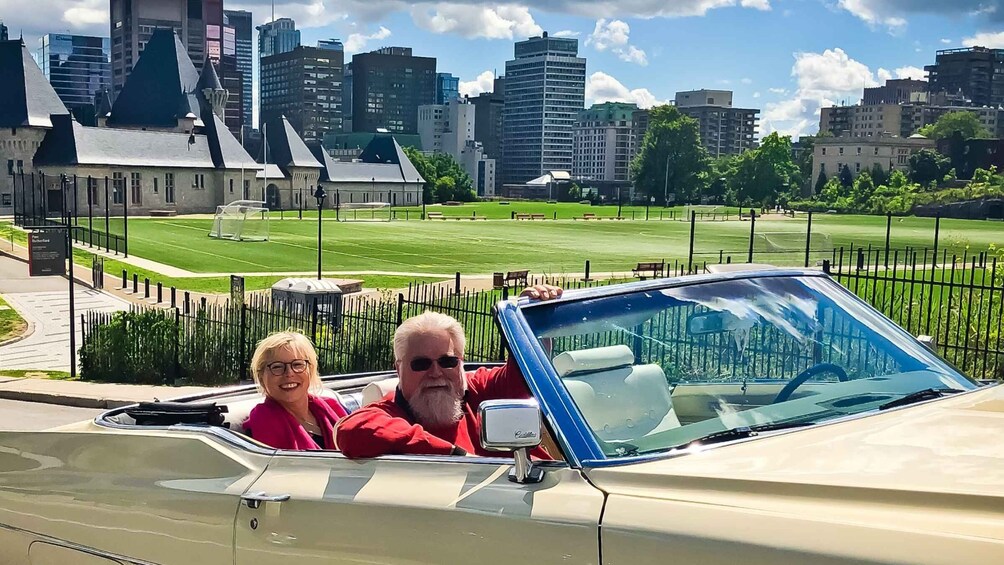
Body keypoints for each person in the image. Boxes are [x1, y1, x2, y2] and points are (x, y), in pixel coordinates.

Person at [336, 284, 562, 459]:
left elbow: (526, 376)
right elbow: (351, 431)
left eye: (447, 361)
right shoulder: (389, 412)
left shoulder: (477, 389)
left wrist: (531, 316)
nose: (436, 372)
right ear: (398, 368)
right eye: (421, 364)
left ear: (461, 362)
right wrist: (454, 455)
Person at [243, 331, 348, 450]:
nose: (289, 373)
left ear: (311, 369)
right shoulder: (261, 422)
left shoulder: (333, 408)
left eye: (297, 364)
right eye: (277, 366)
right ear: (261, 376)